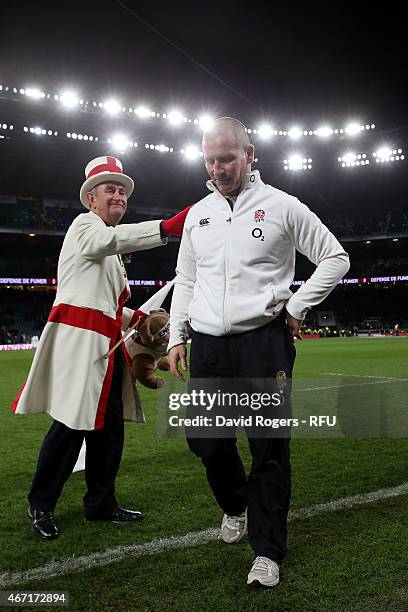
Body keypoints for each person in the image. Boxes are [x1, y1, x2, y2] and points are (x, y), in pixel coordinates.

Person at [168, 118, 350, 587]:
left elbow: (335, 256)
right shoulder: (198, 214)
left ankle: (267, 552)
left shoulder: (282, 206)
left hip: (263, 342)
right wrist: (176, 335)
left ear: (250, 154)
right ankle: (237, 505)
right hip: (207, 345)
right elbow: (186, 280)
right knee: (205, 441)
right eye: (210, 159)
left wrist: (298, 304)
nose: (218, 167)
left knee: (268, 448)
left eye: (226, 157)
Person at [13, 155, 190, 540]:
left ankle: (100, 503)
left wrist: (135, 319)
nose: (119, 196)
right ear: (90, 199)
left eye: (123, 191)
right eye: (110, 189)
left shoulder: (106, 244)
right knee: (69, 426)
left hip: (105, 347)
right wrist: (164, 227)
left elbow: (105, 304)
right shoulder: (85, 226)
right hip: (82, 342)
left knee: (109, 430)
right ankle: (40, 504)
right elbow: (107, 244)